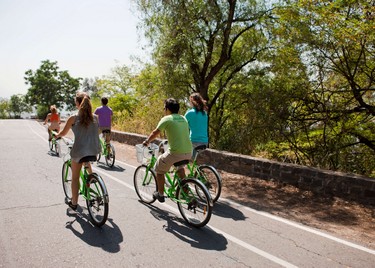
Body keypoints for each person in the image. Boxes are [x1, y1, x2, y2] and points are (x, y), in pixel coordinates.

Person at [56, 92, 101, 210]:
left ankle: (74, 203)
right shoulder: (95, 117)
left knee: (75, 177)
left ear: (77, 103)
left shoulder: (73, 118)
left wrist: (57, 136)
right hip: (94, 149)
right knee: (86, 160)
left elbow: (63, 133)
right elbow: (97, 131)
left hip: (79, 151)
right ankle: (91, 179)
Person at [143, 98, 193, 202]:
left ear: (167, 109)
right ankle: (184, 191)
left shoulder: (167, 118)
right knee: (180, 167)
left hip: (176, 152)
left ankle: (160, 194)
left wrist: (147, 141)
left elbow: (155, 132)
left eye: (164, 108)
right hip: (188, 151)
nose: (164, 110)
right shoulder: (183, 118)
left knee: (159, 169)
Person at [184, 92, 209, 158]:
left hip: (194, 142)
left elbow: (182, 126)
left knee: (180, 156)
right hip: (205, 142)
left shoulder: (190, 113)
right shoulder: (204, 113)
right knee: (193, 162)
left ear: (192, 102)